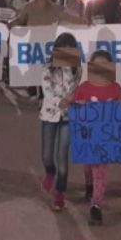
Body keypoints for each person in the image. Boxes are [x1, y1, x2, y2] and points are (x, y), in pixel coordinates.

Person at [10, 0, 88, 100]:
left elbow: (69, 18)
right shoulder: (28, 7)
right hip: (34, 44)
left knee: (49, 70)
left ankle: (44, 95)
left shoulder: (55, 8)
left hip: (49, 45)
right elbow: (20, 20)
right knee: (33, 68)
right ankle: (35, 93)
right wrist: (12, 24)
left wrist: (86, 22)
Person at [72, 50, 121, 226]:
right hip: (87, 138)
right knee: (88, 169)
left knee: (100, 173)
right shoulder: (83, 88)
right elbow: (74, 110)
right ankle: (89, 186)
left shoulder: (116, 88)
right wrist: (78, 106)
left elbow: (120, 112)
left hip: (105, 140)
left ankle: (96, 206)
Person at [39, 33, 82, 211]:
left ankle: (60, 193)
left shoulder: (77, 70)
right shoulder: (47, 69)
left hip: (68, 117)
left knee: (62, 156)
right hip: (49, 115)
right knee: (47, 155)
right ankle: (50, 172)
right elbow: (47, 90)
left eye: (68, 49)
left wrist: (72, 100)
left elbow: (78, 90)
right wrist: (59, 101)